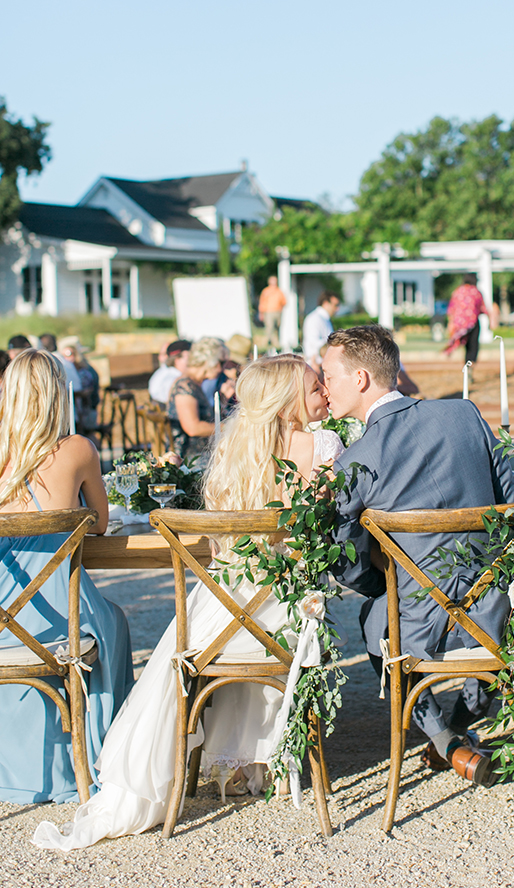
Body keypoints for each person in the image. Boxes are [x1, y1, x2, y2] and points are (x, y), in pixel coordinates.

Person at [33, 355, 344, 850]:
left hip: (225, 610)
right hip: (285, 611)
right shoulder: (324, 444)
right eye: (313, 388)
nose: (325, 394)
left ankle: (201, 767)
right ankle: (269, 758)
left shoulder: (232, 450)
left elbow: (221, 546)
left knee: (188, 629)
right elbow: (329, 526)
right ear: (287, 404)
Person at [322, 325, 514, 787]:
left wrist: (380, 586)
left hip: (414, 625)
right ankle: (462, 725)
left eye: (328, 375)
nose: (322, 384)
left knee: (374, 619)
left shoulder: (356, 459)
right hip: (495, 612)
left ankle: (444, 739)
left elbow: (343, 556)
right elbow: (512, 504)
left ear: (361, 379)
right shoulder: (465, 415)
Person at [0, 349, 133, 803]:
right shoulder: (76, 449)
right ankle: (98, 755)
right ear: (59, 393)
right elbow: (98, 521)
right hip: (57, 619)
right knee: (112, 620)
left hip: (4, 617)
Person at [167, 337, 222, 466]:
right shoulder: (184, 386)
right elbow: (193, 428)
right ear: (209, 362)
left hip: (202, 452)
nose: (221, 368)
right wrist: (228, 427)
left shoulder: (194, 384)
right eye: (220, 362)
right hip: (190, 459)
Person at [444, 273, 493, 364]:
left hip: (460, 324)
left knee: (465, 344)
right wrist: (490, 322)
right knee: (473, 346)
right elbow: (484, 308)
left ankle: (466, 364)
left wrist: (451, 323)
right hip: (473, 323)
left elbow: (451, 309)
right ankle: (470, 364)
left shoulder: (457, 291)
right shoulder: (476, 292)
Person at [302, 291, 341, 371]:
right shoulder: (314, 319)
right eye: (335, 305)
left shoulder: (324, 319)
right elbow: (314, 343)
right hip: (316, 366)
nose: (337, 309)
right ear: (326, 303)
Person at [148, 339, 191, 408]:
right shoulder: (175, 378)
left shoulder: (163, 372)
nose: (192, 361)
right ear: (177, 360)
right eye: (189, 357)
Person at [258, 275, 287, 351]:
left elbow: (283, 302)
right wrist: (261, 313)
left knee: (276, 328)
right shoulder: (266, 291)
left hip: (277, 312)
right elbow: (262, 302)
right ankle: (266, 343)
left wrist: (280, 310)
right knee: (269, 327)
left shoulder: (279, 291)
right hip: (268, 312)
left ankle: (275, 343)